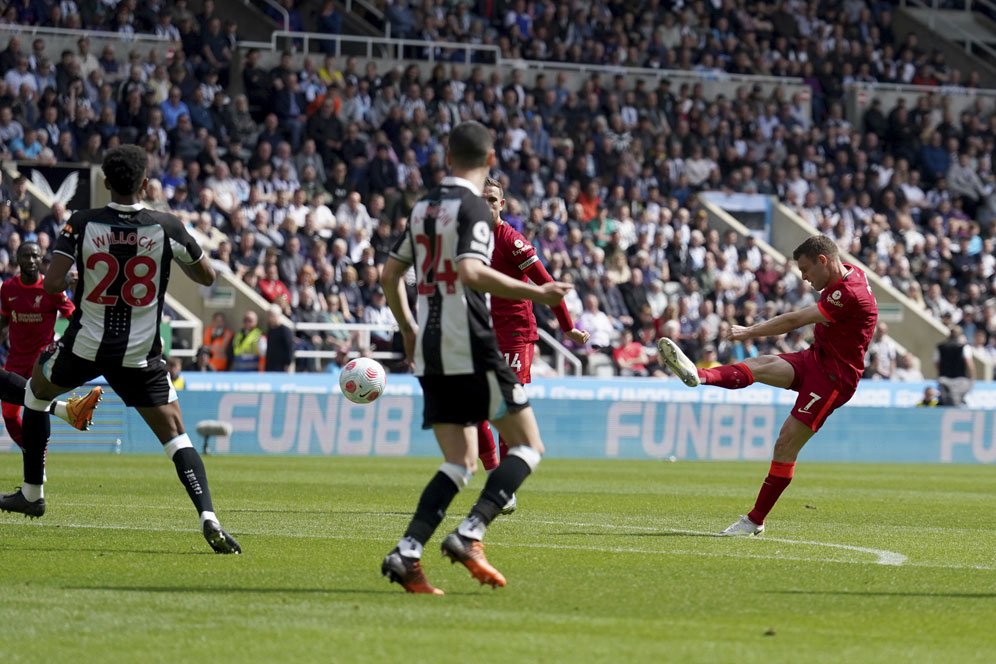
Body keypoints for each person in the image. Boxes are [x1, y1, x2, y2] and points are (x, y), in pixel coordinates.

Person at [0, 145, 240, 554]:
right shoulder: (167, 226)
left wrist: (85, 272)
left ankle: (32, 493)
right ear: (145, 184)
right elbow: (206, 276)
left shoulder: (82, 223)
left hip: (84, 347)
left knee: (36, 395)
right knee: (177, 438)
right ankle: (209, 517)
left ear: (106, 183)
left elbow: (54, 284)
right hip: (140, 355)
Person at [379, 120, 571, 594]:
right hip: (470, 341)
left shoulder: (422, 207)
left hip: (430, 344)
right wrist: (539, 293)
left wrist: (407, 328)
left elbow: (390, 275)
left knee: (459, 460)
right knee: (528, 446)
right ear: (489, 161)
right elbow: (471, 272)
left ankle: (407, 553)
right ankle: (471, 532)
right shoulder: (476, 210)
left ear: (447, 156)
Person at [657, 235, 878, 536]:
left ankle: (755, 520)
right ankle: (699, 376)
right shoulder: (851, 272)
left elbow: (795, 320)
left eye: (805, 269)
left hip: (834, 379)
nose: (803, 277)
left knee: (786, 443)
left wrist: (749, 331)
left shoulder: (848, 293)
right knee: (761, 365)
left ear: (823, 261)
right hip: (816, 359)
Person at [475, 176, 589, 511]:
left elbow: (547, 284)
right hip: (483, 330)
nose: (486, 205)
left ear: (501, 205)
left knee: (505, 409)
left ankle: (502, 489)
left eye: (491, 200)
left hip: (514, 333)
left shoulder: (511, 240)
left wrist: (567, 327)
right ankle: (497, 480)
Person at [0, 242, 103, 447]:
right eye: (26, 256)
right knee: (10, 416)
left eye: (35, 256)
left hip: (41, 360)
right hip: (15, 359)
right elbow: (3, 320)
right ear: (17, 259)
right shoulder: (8, 288)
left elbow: (73, 317)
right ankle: (33, 450)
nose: (30, 260)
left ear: (41, 259)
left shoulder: (51, 289)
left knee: (37, 408)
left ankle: (39, 457)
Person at [934, 325, 974, 406]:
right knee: (956, 402)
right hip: (960, 379)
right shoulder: (964, 347)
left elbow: (936, 363)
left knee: (945, 402)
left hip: (944, 378)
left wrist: (941, 372)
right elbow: (968, 362)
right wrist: (972, 377)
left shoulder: (940, 347)